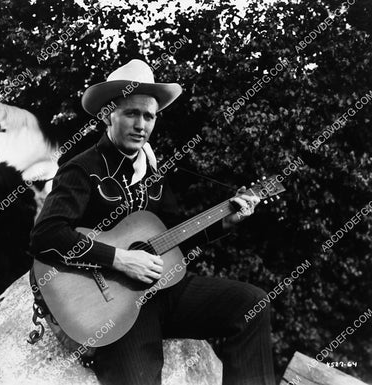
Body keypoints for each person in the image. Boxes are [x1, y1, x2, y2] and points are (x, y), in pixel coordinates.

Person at [29, 59, 275, 385]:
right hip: (113, 307)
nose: (141, 124)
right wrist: (120, 258)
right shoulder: (81, 168)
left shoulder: (153, 172)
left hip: (163, 289)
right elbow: (45, 236)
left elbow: (174, 235)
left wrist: (225, 221)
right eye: (131, 113)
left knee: (252, 304)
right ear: (107, 114)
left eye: (149, 116)